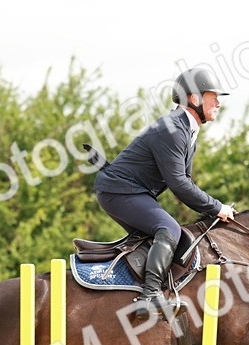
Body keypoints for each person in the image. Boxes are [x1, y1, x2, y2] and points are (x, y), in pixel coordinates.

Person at [93, 66, 237, 320]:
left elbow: (186, 180)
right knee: (169, 230)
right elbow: (179, 184)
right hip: (120, 191)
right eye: (213, 97)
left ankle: (130, 293)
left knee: (168, 237)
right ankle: (149, 297)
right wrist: (217, 207)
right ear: (194, 99)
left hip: (131, 192)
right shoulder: (171, 129)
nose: (218, 103)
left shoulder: (187, 130)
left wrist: (212, 209)